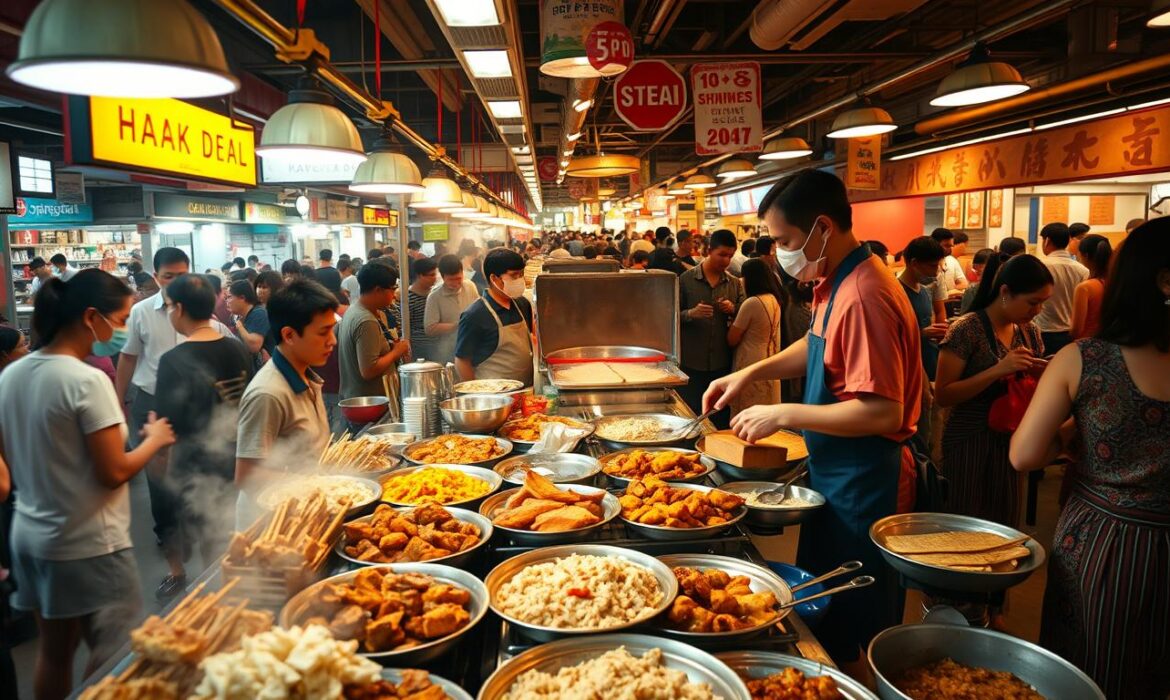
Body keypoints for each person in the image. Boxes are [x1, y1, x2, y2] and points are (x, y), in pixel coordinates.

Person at [703, 169, 922, 665]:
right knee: (830, 600)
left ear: (822, 227)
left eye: (784, 240)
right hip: (838, 472)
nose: (779, 252)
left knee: (855, 619)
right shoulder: (837, 281)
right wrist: (750, 373)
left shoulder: (866, 295)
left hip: (868, 479)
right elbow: (816, 347)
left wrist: (783, 411)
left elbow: (884, 410)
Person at [1009, 219, 1170, 699]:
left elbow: (1024, 454)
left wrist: (1072, 436)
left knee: (1089, 673)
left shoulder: (1088, 359)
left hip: (1105, 545)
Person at [0, 269, 175, 699]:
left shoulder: (11, 375)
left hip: (30, 536)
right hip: (87, 543)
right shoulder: (86, 380)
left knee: (55, 655)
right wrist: (153, 441)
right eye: (119, 321)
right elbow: (113, 470)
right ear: (91, 317)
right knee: (116, 654)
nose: (121, 332)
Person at [114, 247, 232, 600]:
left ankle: (214, 566)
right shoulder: (141, 313)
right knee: (163, 493)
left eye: (182, 274)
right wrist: (118, 402)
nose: (176, 281)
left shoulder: (210, 318)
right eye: (169, 276)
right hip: (152, 404)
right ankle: (176, 569)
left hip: (202, 408)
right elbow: (128, 358)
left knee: (208, 483)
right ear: (155, 276)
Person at [934, 253, 1052, 527]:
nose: (1037, 310)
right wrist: (999, 369)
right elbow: (944, 394)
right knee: (964, 521)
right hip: (970, 439)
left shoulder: (1029, 331)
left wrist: (1044, 370)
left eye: (1043, 303)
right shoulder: (966, 329)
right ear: (1005, 292)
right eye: (1032, 302)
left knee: (1003, 520)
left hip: (1012, 437)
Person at [153, 274, 252, 583]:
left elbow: (166, 431)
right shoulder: (238, 349)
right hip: (241, 461)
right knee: (236, 538)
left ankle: (221, 604)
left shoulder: (173, 361)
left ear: (179, 308)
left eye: (169, 306)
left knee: (213, 545)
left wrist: (162, 478)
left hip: (199, 471)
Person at [235, 280, 338, 523]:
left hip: (307, 513)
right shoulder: (268, 393)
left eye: (332, 330)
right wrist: (316, 484)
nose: (332, 340)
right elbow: (247, 476)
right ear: (289, 335)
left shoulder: (306, 376)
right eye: (323, 332)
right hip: (272, 529)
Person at [679, 229, 745, 429]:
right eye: (722, 255)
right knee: (690, 416)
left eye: (730, 256)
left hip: (721, 361)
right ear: (708, 250)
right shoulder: (686, 280)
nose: (726, 261)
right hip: (691, 362)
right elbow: (671, 317)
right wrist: (691, 313)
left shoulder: (734, 284)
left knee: (719, 415)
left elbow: (745, 314)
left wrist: (733, 309)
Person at [454, 248, 534, 384]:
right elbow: (462, 361)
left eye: (521, 274)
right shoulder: (474, 315)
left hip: (526, 391)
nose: (520, 280)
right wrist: (476, 395)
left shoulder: (522, 304)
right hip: (493, 398)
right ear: (494, 278)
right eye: (514, 276)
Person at [337, 263, 410, 402]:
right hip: (369, 403)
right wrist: (396, 352)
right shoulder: (365, 321)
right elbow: (368, 370)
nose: (394, 295)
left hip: (370, 399)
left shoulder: (358, 310)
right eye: (392, 289)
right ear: (378, 290)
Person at [727, 259, 783, 417]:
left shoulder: (751, 302)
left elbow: (732, 339)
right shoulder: (773, 298)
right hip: (770, 357)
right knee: (765, 411)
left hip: (750, 358)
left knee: (746, 410)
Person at [897, 237, 948, 380]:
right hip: (910, 369)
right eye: (932, 266)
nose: (936, 272)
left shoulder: (924, 291)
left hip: (929, 361)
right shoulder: (896, 293)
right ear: (914, 263)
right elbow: (889, 337)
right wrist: (921, 334)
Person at [1034, 222, 1089, 355]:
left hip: (1043, 331)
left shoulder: (1039, 266)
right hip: (1071, 332)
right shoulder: (1083, 270)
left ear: (1047, 241)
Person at [425, 255, 481, 365]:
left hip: (473, 348)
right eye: (451, 280)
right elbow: (430, 328)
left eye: (458, 278)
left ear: (462, 273)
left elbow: (479, 311)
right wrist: (460, 324)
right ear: (443, 277)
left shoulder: (470, 286)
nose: (456, 283)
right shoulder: (434, 296)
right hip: (447, 353)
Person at [1070, 234, 1112, 340]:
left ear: (1086, 255)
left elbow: (1076, 329)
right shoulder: (1116, 282)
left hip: (1087, 344)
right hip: (1111, 342)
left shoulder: (1085, 288)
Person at [227, 279, 271, 370]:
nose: (227, 301)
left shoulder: (259, 313)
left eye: (230, 297)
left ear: (242, 298)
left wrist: (239, 325)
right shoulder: (241, 316)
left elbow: (253, 346)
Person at [404, 258, 439, 362]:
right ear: (420, 276)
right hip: (419, 351)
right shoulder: (407, 298)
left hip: (439, 347)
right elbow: (406, 328)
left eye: (435, 274)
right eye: (431, 275)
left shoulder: (435, 294)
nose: (435, 278)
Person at [930, 228, 967, 297]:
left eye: (951, 246)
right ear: (935, 244)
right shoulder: (926, 263)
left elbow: (964, 284)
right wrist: (948, 293)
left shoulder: (952, 260)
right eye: (947, 246)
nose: (950, 249)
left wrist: (952, 291)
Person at [959, 248, 996, 315]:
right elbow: (964, 316)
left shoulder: (1003, 290)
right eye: (977, 272)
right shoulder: (972, 290)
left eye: (981, 272)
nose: (979, 278)